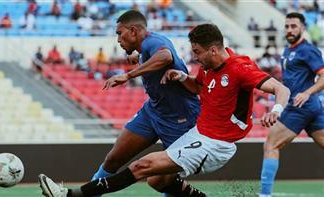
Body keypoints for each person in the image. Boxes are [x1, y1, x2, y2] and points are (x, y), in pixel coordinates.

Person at [38, 23, 291, 197]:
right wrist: (182, 77)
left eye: (197, 53)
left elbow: (282, 89)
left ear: (213, 49)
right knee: (157, 180)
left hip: (217, 144)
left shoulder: (240, 69)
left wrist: (275, 111)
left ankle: (71, 194)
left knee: (142, 166)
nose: (195, 57)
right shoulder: (209, 65)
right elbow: (197, 87)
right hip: (199, 134)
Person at [39, 10, 203, 197]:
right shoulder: (146, 48)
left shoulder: (153, 41)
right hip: (153, 112)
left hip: (180, 118)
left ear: (133, 31)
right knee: (114, 158)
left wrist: (128, 74)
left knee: (162, 179)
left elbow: (165, 56)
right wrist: (140, 59)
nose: (118, 39)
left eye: (119, 33)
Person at [259, 12, 324, 197]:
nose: (289, 30)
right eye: (287, 26)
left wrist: (307, 92)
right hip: (311, 108)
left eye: (293, 26)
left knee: (271, 145)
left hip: (300, 106)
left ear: (302, 28)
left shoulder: (308, 50)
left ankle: (264, 195)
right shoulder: (288, 50)